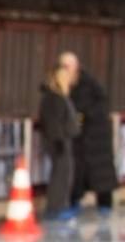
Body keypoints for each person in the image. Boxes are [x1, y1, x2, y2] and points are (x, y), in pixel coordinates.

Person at [64, 52, 119, 220]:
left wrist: (86, 116)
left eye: (67, 66)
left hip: (97, 137)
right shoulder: (66, 86)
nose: (65, 70)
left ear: (76, 67)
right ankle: (74, 202)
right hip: (80, 138)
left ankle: (105, 206)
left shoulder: (90, 85)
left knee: (101, 175)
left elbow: (100, 106)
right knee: (77, 172)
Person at [36, 61, 83, 227]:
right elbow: (52, 122)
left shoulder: (62, 97)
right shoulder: (53, 98)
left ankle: (61, 205)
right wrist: (58, 141)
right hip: (58, 141)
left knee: (66, 173)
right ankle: (54, 209)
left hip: (65, 139)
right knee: (60, 174)